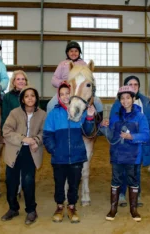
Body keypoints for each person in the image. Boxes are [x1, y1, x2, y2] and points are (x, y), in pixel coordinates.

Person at [43, 82, 96, 223]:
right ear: (58, 96)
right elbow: (47, 135)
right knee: (59, 184)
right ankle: (59, 207)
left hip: (76, 156)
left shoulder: (81, 112)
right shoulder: (54, 113)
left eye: (68, 93)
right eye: (62, 94)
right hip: (59, 158)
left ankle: (72, 207)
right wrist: (54, 150)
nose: (65, 97)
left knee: (74, 184)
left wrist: (90, 117)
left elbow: (88, 131)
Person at [101, 86, 150, 222]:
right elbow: (111, 136)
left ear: (133, 99)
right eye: (122, 98)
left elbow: (146, 136)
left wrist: (132, 137)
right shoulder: (115, 117)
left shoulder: (140, 117)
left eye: (128, 97)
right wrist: (103, 127)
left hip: (133, 156)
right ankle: (113, 208)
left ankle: (133, 209)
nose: (125, 101)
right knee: (115, 180)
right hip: (117, 155)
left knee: (133, 181)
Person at [109, 75, 150, 207]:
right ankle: (122, 194)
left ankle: (137, 194)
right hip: (122, 145)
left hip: (139, 143)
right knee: (123, 171)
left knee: (136, 170)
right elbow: (112, 125)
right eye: (130, 84)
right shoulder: (117, 105)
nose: (133, 86)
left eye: (136, 84)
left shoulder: (145, 102)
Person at [1, 86, 46, 225]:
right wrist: (23, 138)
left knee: (28, 181)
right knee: (11, 181)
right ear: (22, 99)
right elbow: (6, 131)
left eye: (33, 95)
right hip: (14, 150)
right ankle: (13, 208)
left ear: (36, 98)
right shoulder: (14, 113)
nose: (30, 98)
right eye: (27, 96)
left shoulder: (42, 115)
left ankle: (31, 210)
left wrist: (36, 141)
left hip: (31, 152)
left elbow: (44, 132)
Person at [46, 41, 103, 115]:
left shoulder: (83, 64)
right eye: (71, 51)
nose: (73, 53)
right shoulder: (62, 64)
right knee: (50, 105)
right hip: (65, 91)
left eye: (76, 51)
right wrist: (62, 82)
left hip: (80, 91)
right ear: (67, 53)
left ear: (79, 53)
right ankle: (49, 122)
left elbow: (90, 78)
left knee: (98, 102)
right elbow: (54, 79)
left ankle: (100, 122)